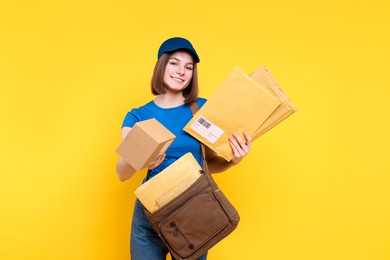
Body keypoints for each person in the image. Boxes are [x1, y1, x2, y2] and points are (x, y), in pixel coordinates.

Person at [116, 37, 251, 260]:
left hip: (193, 206)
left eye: (189, 67)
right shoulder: (137, 116)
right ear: (161, 65)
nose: (182, 72)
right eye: (174, 64)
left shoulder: (202, 110)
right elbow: (122, 173)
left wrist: (235, 159)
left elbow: (210, 164)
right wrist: (142, 159)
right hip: (151, 209)